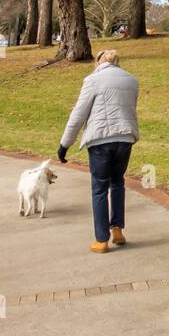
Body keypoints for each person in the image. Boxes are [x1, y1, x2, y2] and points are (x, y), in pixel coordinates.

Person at [58, 50, 140, 253]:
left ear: (98, 62)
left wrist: (65, 144)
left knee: (99, 188)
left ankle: (101, 240)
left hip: (101, 141)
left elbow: (78, 115)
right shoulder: (131, 80)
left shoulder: (93, 80)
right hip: (125, 139)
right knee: (117, 183)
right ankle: (117, 230)